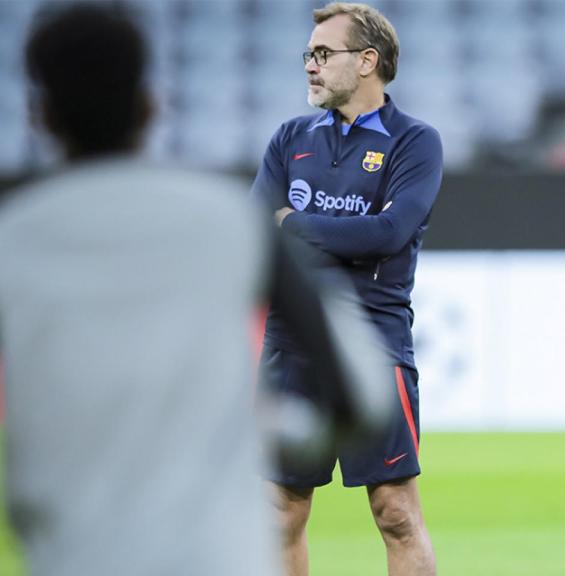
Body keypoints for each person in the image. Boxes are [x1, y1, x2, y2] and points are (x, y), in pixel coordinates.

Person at [0, 4, 391, 575]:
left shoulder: (13, 240)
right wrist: (269, 428)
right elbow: (362, 394)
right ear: (150, 106)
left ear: (41, 116)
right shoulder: (231, 221)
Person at [250, 3, 442, 575]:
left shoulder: (415, 142)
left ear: (367, 61)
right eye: (308, 54)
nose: (310, 66)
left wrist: (295, 226)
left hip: (373, 341)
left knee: (395, 511)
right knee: (280, 511)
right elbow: (257, 234)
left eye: (323, 54)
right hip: (292, 341)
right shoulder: (291, 138)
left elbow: (388, 233)